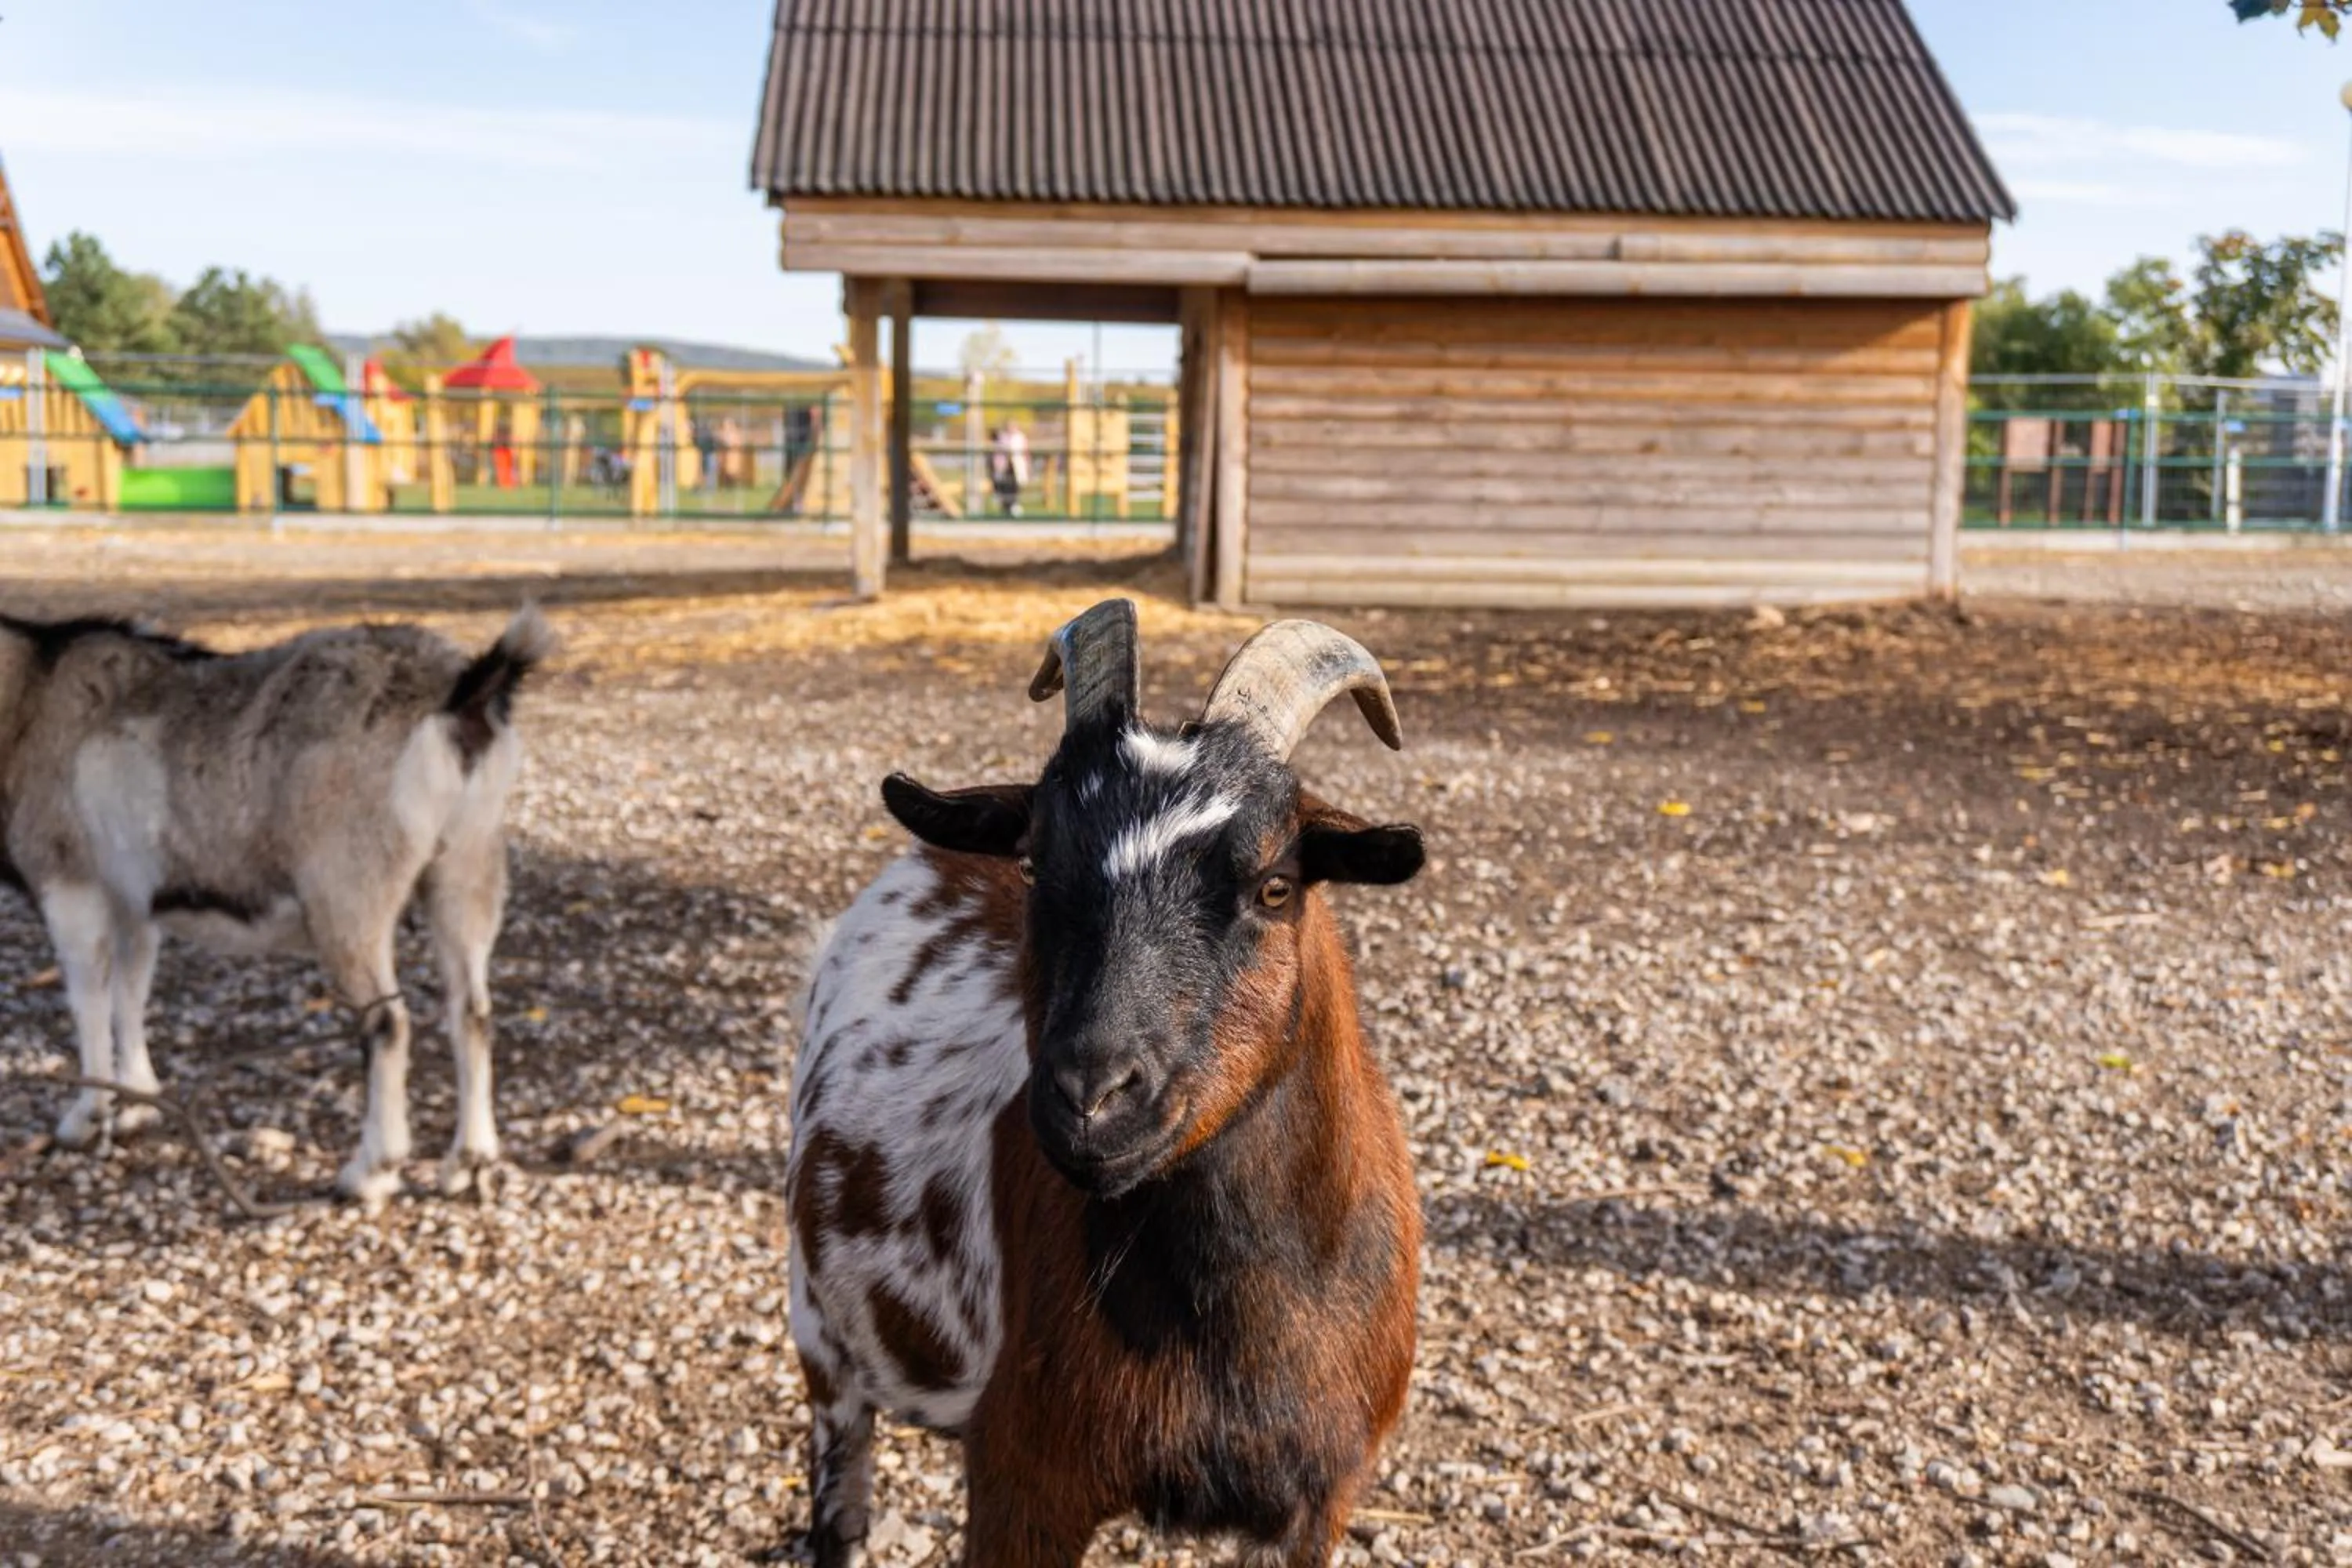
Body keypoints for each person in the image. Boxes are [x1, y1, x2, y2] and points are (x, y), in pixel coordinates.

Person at [989, 423, 1030, 517]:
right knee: (1004, 486)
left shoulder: (1020, 437)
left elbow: (1025, 453)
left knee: (1014, 487)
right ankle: (1006, 507)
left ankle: (1013, 505)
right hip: (1004, 466)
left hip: (1016, 466)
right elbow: (997, 452)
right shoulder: (1002, 437)